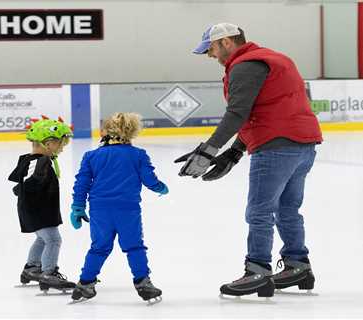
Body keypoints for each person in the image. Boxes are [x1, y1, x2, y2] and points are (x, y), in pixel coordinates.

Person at [175, 23, 323, 297]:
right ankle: (297, 265)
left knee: (259, 211)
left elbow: (238, 113)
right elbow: (267, 109)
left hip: (274, 147)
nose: (211, 56)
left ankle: (257, 270)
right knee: (287, 209)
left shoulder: (245, 65)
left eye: (211, 48)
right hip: (304, 144)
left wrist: (209, 150)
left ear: (227, 42)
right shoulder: (275, 58)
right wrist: (234, 152)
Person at [70, 112, 168, 304]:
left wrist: (78, 207)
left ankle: (85, 283)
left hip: (100, 211)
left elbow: (82, 183)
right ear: (131, 132)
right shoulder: (138, 155)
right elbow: (149, 180)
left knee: (99, 247)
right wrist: (160, 188)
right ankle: (143, 283)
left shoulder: (91, 156)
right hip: (127, 210)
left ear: (104, 131)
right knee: (134, 247)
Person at [8, 116, 75, 292]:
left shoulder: (37, 160)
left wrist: (21, 189)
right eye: (60, 144)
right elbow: (30, 181)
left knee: (42, 239)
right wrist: (20, 190)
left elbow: (28, 181)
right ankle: (48, 273)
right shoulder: (40, 160)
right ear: (49, 143)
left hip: (38, 208)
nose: (61, 148)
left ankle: (32, 268)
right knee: (53, 239)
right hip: (37, 210)